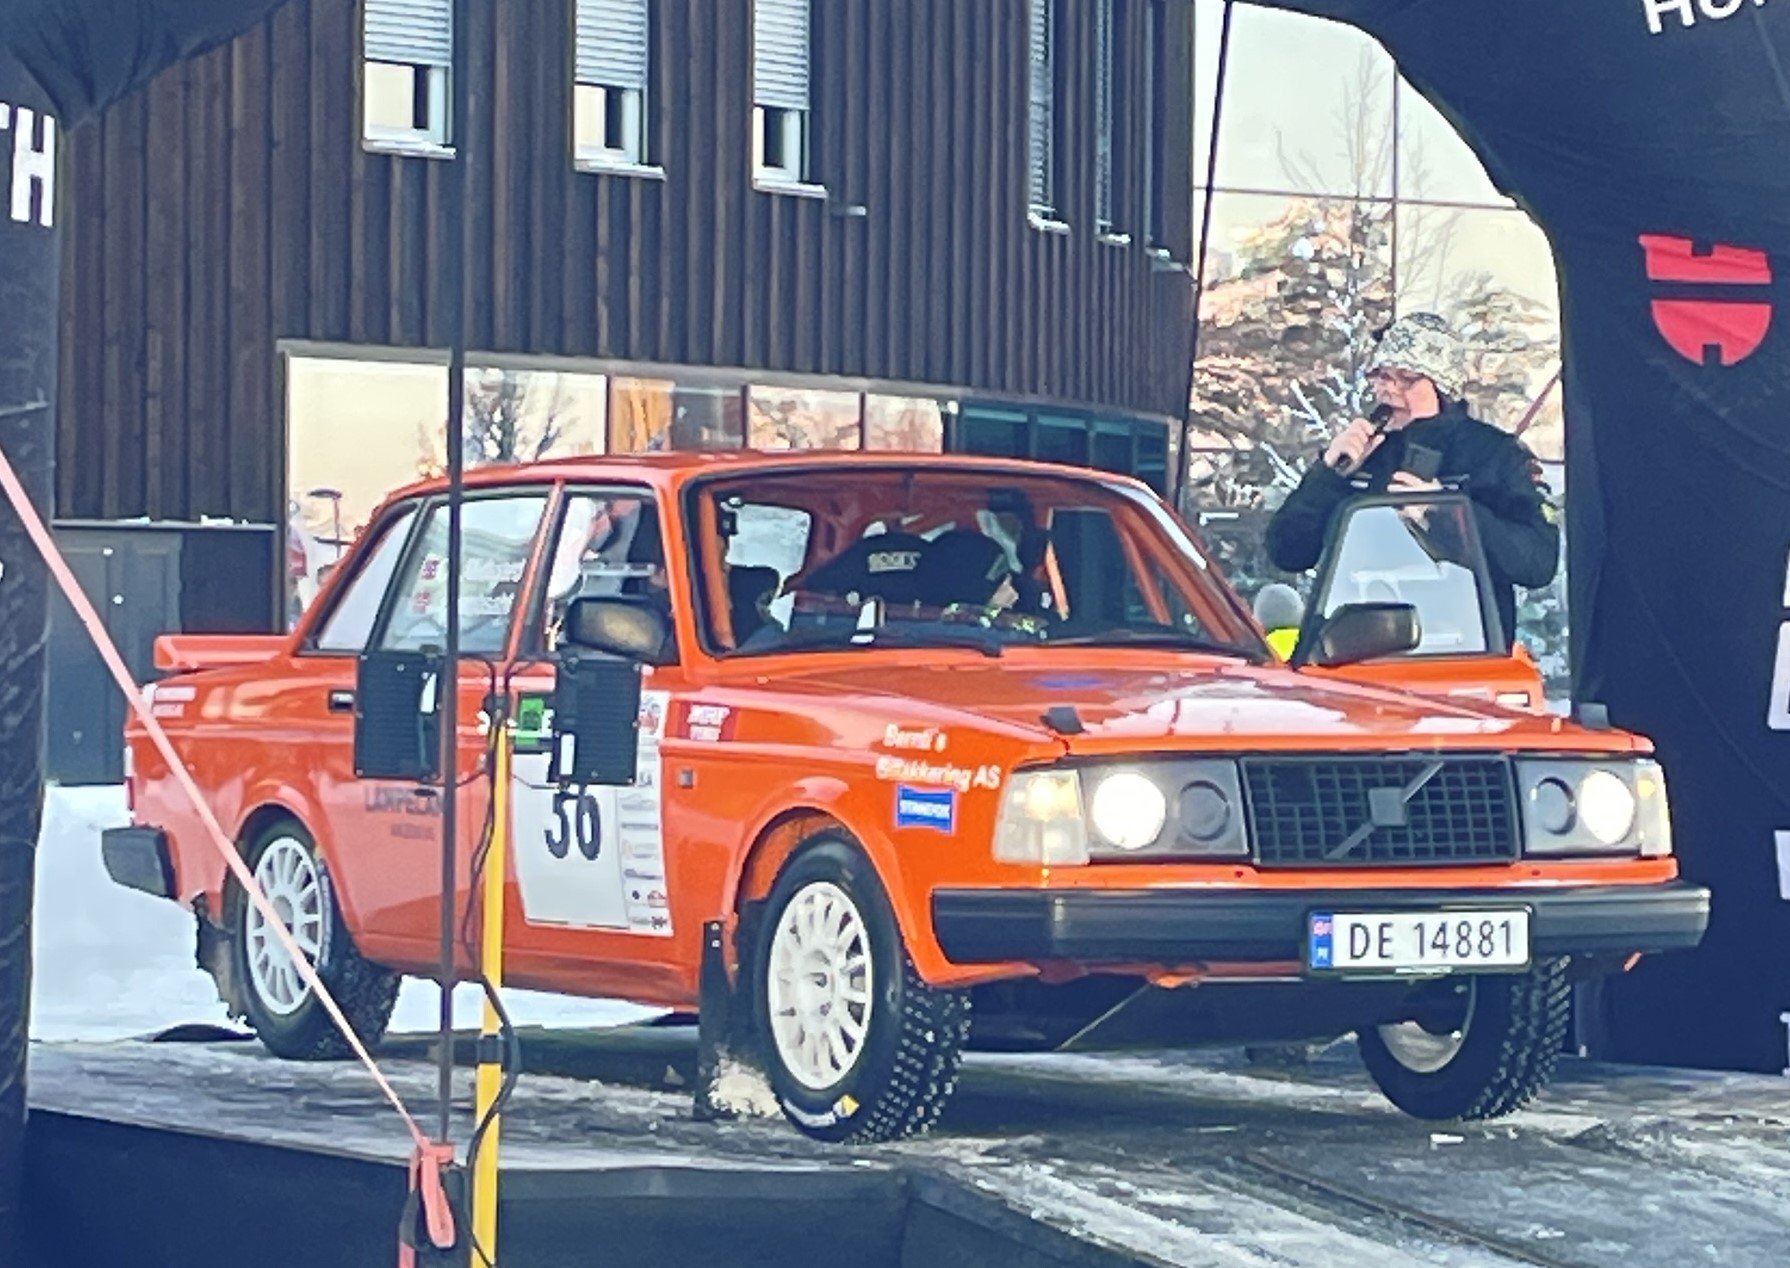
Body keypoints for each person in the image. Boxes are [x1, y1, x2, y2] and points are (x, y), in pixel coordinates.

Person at [1263, 313, 1559, 650]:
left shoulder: (1495, 455)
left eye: (1406, 379)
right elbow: (1287, 552)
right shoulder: (1364, 452)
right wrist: (1328, 475)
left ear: (1441, 385)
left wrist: (1445, 513)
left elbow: (1538, 562)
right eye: (1381, 376)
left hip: (1462, 652)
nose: (1390, 390)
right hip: (1354, 650)